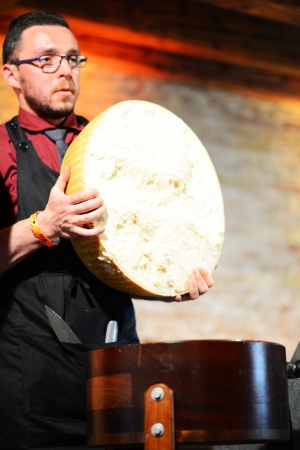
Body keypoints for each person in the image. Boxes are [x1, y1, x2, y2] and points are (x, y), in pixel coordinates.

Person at [0, 10, 215, 450]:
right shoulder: (1, 151)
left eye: (73, 58)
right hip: (30, 383)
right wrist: (46, 225)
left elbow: (123, 257)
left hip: (116, 371)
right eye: (46, 59)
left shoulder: (116, 145)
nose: (64, 69)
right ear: (11, 75)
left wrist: (167, 283)